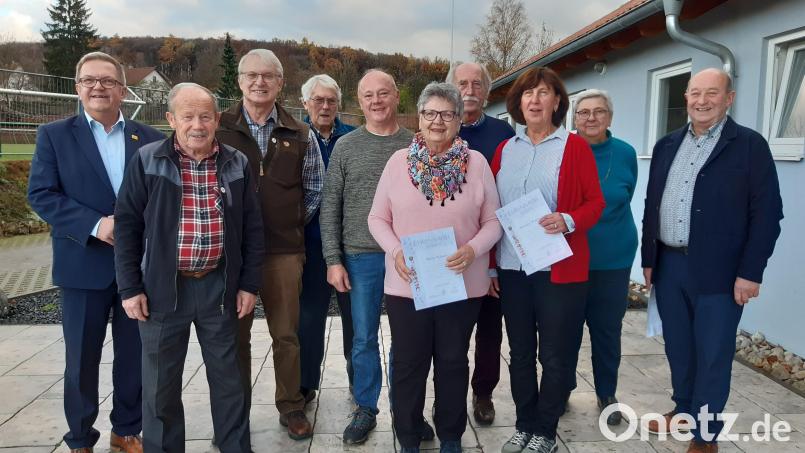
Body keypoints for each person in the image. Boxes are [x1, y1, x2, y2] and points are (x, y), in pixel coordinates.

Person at [114, 83, 263, 453]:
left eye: (206, 116)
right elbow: (127, 226)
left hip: (219, 287)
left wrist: (249, 284)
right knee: (160, 388)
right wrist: (130, 289)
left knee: (230, 384)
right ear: (171, 119)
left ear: (216, 120)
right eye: (188, 116)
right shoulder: (148, 160)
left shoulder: (235, 162)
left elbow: (253, 229)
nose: (198, 124)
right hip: (162, 291)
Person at [27, 51, 163, 453]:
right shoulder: (54, 135)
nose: (98, 87)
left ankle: (126, 430)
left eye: (107, 80)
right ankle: (80, 438)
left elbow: (161, 199)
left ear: (123, 89)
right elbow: (41, 194)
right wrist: (96, 224)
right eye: (89, 80)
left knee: (134, 358)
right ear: (78, 87)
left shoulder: (150, 139)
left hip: (136, 270)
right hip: (82, 265)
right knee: (81, 360)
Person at [642, 68, 783, 453]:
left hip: (721, 272)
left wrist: (751, 273)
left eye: (712, 93)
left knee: (713, 353)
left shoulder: (749, 146)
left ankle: (706, 436)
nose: (702, 101)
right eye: (695, 93)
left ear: (729, 98)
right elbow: (652, 205)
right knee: (679, 348)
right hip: (670, 266)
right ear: (686, 97)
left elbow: (768, 215)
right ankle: (683, 409)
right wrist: (649, 258)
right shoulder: (667, 145)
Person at [368, 82, 502, 453]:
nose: (437, 121)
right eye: (430, 113)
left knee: (452, 362)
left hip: (461, 285)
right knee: (409, 364)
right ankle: (408, 435)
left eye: (446, 114)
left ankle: (450, 435)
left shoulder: (476, 165)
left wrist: (473, 250)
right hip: (407, 286)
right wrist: (395, 251)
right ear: (420, 118)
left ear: (459, 120)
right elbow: (377, 218)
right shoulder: (398, 163)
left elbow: (494, 222)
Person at [492, 67, 605, 453]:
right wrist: (491, 264)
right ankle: (524, 424)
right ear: (518, 103)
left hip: (558, 269)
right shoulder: (506, 149)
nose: (535, 100)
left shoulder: (574, 147)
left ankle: (545, 430)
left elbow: (595, 203)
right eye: (528, 94)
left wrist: (568, 219)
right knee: (520, 352)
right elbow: (493, 210)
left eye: (543, 93)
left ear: (557, 102)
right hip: (512, 267)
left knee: (555, 355)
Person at [216, 49, 324, 440]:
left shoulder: (300, 132)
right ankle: (234, 413)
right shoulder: (219, 127)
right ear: (240, 81)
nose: (259, 82)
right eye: (251, 75)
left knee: (286, 334)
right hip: (232, 256)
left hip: (283, 252)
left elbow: (315, 190)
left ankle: (292, 406)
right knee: (234, 337)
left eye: (268, 76)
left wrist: (290, 223)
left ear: (280, 83)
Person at [320, 69, 414, 445]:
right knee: (363, 338)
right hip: (360, 256)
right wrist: (333, 259)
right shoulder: (346, 146)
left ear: (396, 97)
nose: (376, 101)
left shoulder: (415, 144)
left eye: (383, 93)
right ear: (359, 103)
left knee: (408, 339)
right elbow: (331, 206)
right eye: (368, 96)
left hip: (407, 259)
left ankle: (407, 407)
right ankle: (366, 407)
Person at [446, 62, 515, 425]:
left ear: (487, 91)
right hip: (445, 255)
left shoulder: (503, 134)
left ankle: (483, 392)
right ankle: (449, 395)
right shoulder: (437, 130)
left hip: (489, 250)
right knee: (450, 335)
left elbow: (507, 199)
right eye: (462, 83)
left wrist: (492, 261)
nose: (469, 89)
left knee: (489, 330)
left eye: (477, 83)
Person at [568, 89, 638, 426]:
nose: (591, 118)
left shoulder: (625, 154)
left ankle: (606, 391)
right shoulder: (564, 151)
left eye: (598, 111)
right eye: (583, 112)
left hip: (613, 257)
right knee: (564, 328)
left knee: (607, 329)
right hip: (569, 257)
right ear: (574, 118)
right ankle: (562, 385)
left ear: (609, 117)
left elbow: (625, 196)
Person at [297, 74, 357, 402]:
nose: (324, 106)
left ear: (338, 104)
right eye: (317, 100)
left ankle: (357, 379)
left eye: (330, 101)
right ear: (305, 103)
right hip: (308, 242)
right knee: (309, 317)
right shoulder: (294, 137)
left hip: (349, 244)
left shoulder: (352, 137)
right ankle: (305, 383)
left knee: (355, 317)